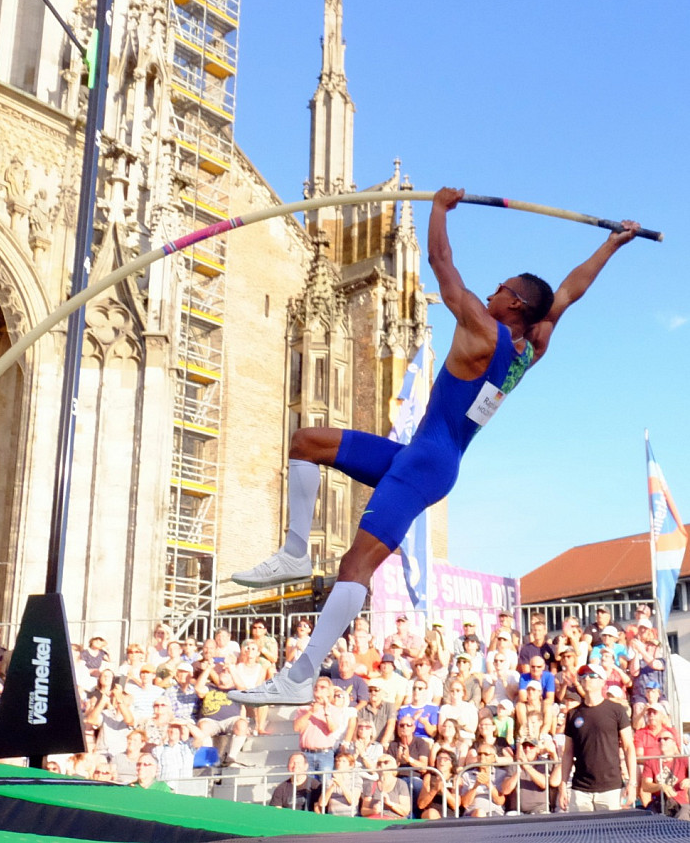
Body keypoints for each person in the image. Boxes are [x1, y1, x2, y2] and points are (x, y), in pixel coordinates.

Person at [230, 190, 641, 707]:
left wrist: (440, 208)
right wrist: (612, 244)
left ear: (515, 303)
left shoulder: (481, 328)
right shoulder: (532, 347)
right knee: (306, 442)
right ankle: (293, 553)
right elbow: (568, 292)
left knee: (355, 566)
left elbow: (440, 262)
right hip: (418, 455)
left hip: (426, 463)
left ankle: (301, 675)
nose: (490, 291)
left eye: (501, 288)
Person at [559, 663, 636, 812]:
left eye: (592, 675)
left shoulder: (616, 710)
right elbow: (568, 752)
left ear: (602, 682)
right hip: (580, 789)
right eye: (583, 676)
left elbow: (628, 747)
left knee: (611, 828)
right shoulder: (573, 714)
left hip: (610, 787)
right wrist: (563, 785)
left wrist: (632, 783)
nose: (587, 678)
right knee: (580, 828)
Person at [360, 754, 412, 819]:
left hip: (394, 820)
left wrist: (390, 804)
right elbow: (363, 811)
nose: (382, 765)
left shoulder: (401, 784)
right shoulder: (371, 784)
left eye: (386, 762)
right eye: (379, 763)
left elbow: (405, 811)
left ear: (393, 766)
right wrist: (373, 811)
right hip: (375, 819)